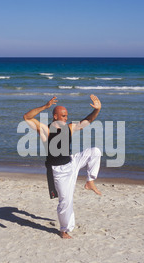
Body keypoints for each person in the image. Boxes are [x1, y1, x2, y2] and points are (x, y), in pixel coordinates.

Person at [23, 95, 102, 239]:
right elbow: (27, 117)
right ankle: (64, 230)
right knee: (65, 201)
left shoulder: (70, 128)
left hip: (72, 162)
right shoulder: (45, 130)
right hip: (58, 171)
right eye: (63, 116)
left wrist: (97, 110)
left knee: (95, 151)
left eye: (67, 116)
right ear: (55, 116)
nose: (66, 118)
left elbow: (88, 120)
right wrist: (45, 107)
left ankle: (90, 181)